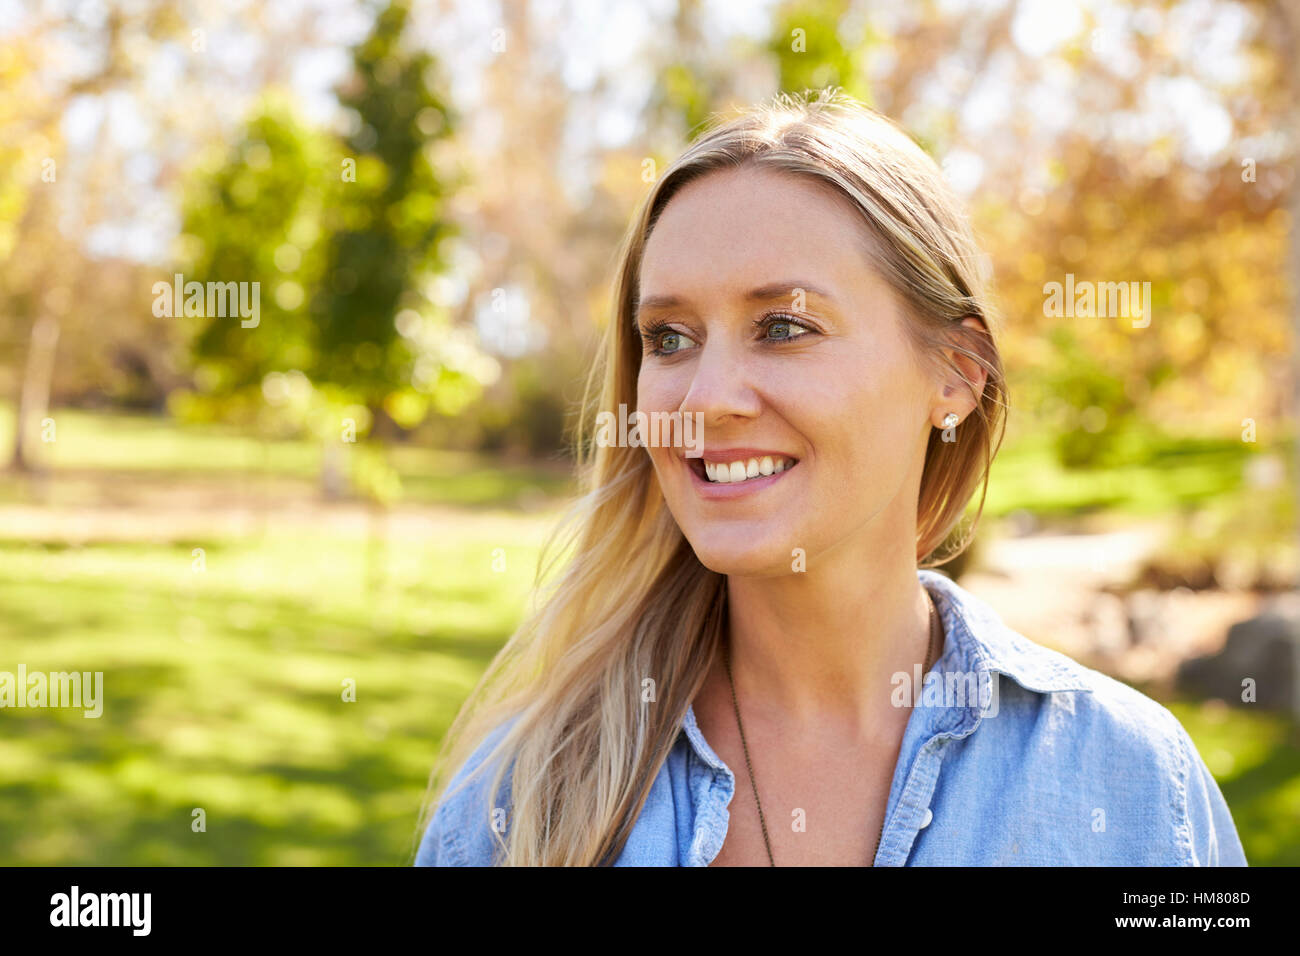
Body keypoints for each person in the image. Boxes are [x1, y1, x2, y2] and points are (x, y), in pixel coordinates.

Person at [413, 88, 1247, 867]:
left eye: (782, 326)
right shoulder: (517, 810)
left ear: (956, 371)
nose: (704, 400)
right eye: (669, 338)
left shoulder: (1133, 788)